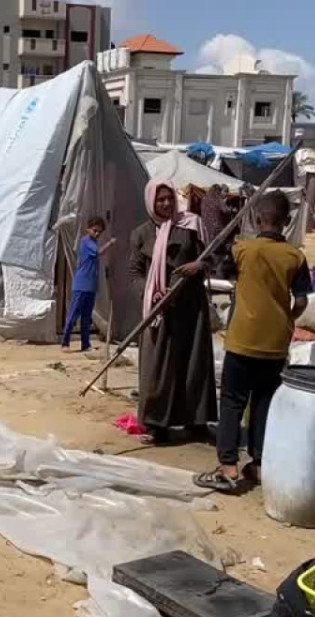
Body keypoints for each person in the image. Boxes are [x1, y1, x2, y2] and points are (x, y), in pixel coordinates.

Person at [197, 191, 310, 492]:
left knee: (233, 402)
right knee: (263, 402)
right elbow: (301, 301)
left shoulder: (242, 250)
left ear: (258, 219)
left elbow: (225, 274)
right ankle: (258, 463)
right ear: (287, 222)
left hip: (242, 338)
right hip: (275, 343)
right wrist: (287, 317)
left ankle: (228, 464)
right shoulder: (295, 257)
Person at [129, 180, 217, 445]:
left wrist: (199, 265)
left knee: (194, 364)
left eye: (169, 198)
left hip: (191, 307)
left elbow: (212, 258)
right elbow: (134, 272)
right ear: (151, 203)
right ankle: (157, 424)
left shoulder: (191, 226)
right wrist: (151, 290)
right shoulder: (141, 234)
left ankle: (197, 422)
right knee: (158, 366)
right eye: (160, 200)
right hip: (159, 311)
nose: (166, 204)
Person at [61, 216, 114, 353]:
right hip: (81, 284)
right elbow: (97, 253)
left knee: (86, 316)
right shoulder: (86, 241)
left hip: (90, 285)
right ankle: (65, 342)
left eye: (99, 232)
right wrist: (109, 244)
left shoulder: (93, 242)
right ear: (88, 229)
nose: (97, 234)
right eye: (95, 231)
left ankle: (85, 344)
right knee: (73, 314)